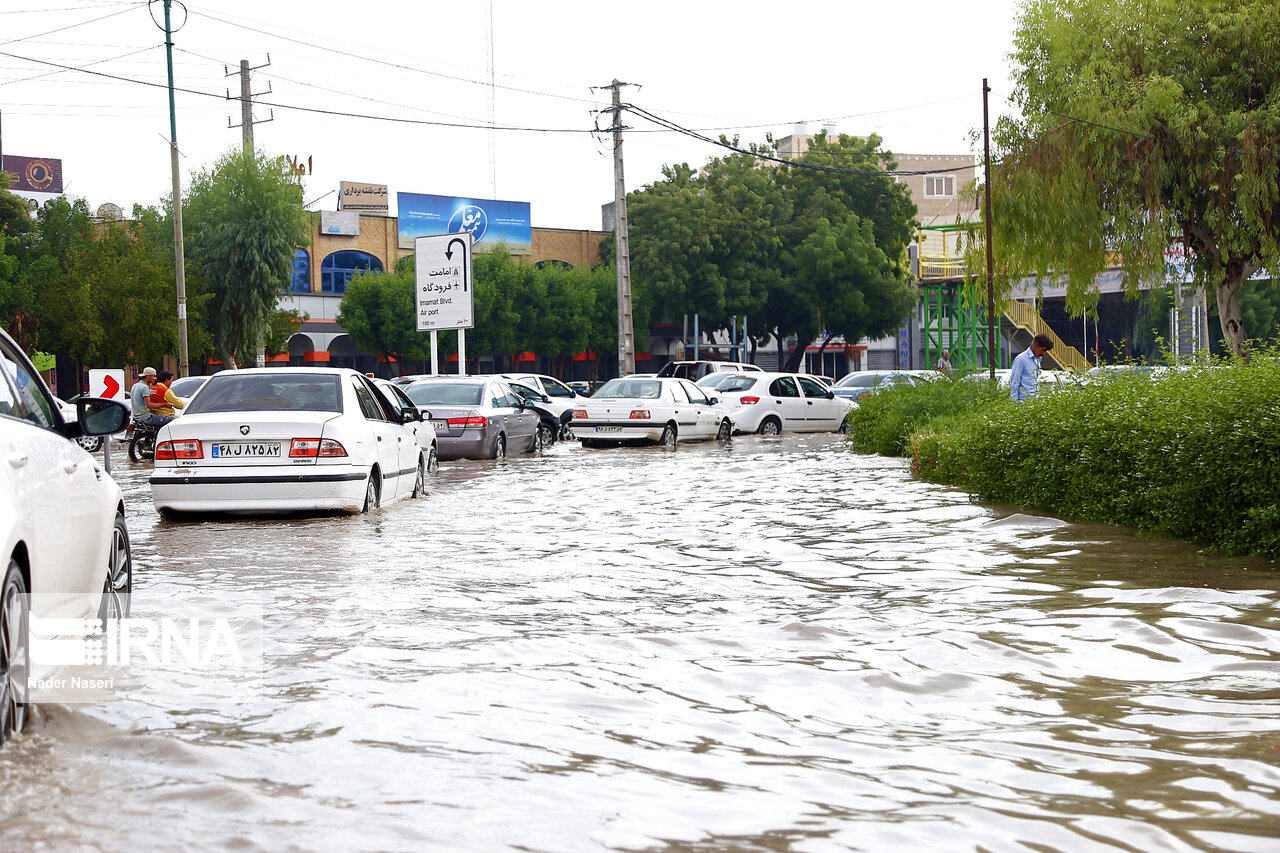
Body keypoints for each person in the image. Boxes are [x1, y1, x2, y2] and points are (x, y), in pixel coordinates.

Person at [1010, 334, 1053, 402]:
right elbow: (1014, 383)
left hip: (1035, 402)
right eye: (1043, 350)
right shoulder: (1021, 359)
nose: (1044, 353)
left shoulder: (1038, 360)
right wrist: (1014, 404)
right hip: (1023, 403)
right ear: (1035, 345)